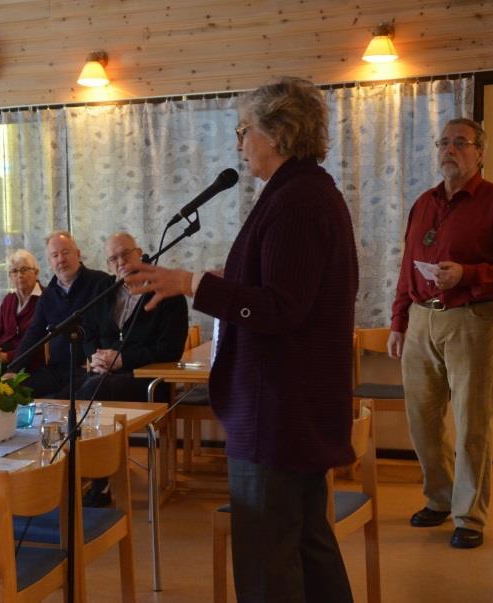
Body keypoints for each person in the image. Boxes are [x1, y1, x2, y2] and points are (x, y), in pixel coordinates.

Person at [126, 77, 357, 601]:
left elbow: (281, 308)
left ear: (277, 134)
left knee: (267, 564)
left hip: (277, 409)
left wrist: (193, 284)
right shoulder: (304, 193)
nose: (238, 142)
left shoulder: (297, 201)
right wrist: (220, 285)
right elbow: (280, 294)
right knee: (306, 548)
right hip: (288, 406)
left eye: (244, 129)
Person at [387, 118, 493, 550]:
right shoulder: (424, 203)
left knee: (471, 423)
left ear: (480, 152)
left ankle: (469, 515)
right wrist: (399, 321)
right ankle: (440, 498)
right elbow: (406, 266)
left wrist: (468, 274)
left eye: (460, 143)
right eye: (444, 143)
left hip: (474, 320)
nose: (449, 150)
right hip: (420, 320)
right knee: (423, 421)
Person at [77, 232, 188, 402]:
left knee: (91, 390)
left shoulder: (166, 291)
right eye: (113, 259)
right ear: (108, 266)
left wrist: (123, 360)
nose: (121, 262)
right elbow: (88, 332)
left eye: (126, 254)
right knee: (65, 391)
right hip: (103, 375)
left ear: (140, 254)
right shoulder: (102, 290)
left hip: (149, 379)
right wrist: (95, 357)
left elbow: (170, 350)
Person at [13, 231, 110, 398]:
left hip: (88, 370)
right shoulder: (48, 295)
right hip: (56, 370)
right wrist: (13, 370)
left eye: (65, 253)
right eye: (55, 255)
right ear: (50, 262)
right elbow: (33, 334)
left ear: (78, 254)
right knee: (12, 391)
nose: (61, 259)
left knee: (57, 401)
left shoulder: (101, 283)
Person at [0, 249, 42, 369]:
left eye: (24, 269)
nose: (19, 275)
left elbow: (40, 343)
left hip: (27, 360)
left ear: (36, 272)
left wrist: (8, 356)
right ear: (9, 276)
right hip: (0, 357)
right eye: (14, 271)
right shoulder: (9, 299)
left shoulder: (45, 299)